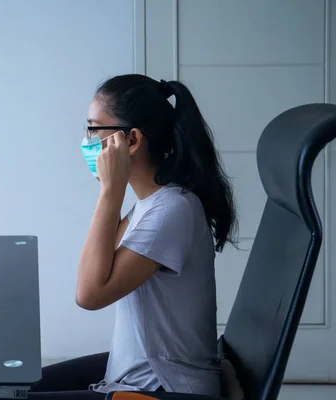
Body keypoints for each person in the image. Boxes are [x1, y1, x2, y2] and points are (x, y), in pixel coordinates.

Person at [28, 74, 238, 399]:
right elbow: (97, 268)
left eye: (93, 129)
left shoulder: (173, 211)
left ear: (132, 140)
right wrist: (111, 190)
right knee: (10, 388)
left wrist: (110, 191)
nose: (87, 140)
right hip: (134, 382)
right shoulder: (151, 204)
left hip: (163, 391)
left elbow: (89, 295)